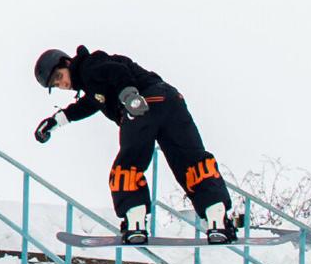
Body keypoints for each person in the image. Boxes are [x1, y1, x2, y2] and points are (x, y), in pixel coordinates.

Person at [33, 45, 235, 244]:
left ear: (67, 63)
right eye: (56, 85)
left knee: (128, 165)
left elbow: (117, 71)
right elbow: (87, 105)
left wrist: (129, 96)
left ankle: (135, 223)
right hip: (171, 100)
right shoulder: (94, 85)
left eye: (59, 77)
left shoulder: (89, 65)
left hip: (141, 105)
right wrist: (55, 121)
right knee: (191, 161)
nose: (63, 84)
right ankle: (217, 219)